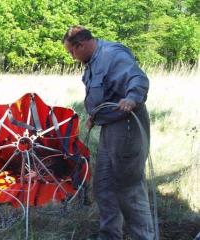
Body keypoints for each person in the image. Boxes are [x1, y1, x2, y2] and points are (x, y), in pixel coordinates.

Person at [63, 26, 155, 239]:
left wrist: (131, 98)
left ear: (81, 45)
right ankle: (110, 236)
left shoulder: (112, 55)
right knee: (103, 186)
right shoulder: (92, 61)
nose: (72, 57)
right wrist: (95, 116)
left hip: (128, 127)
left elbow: (137, 78)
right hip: (110, 129)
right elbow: (105, 93)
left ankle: (144, 236)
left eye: (71, 52)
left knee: (128, 189)